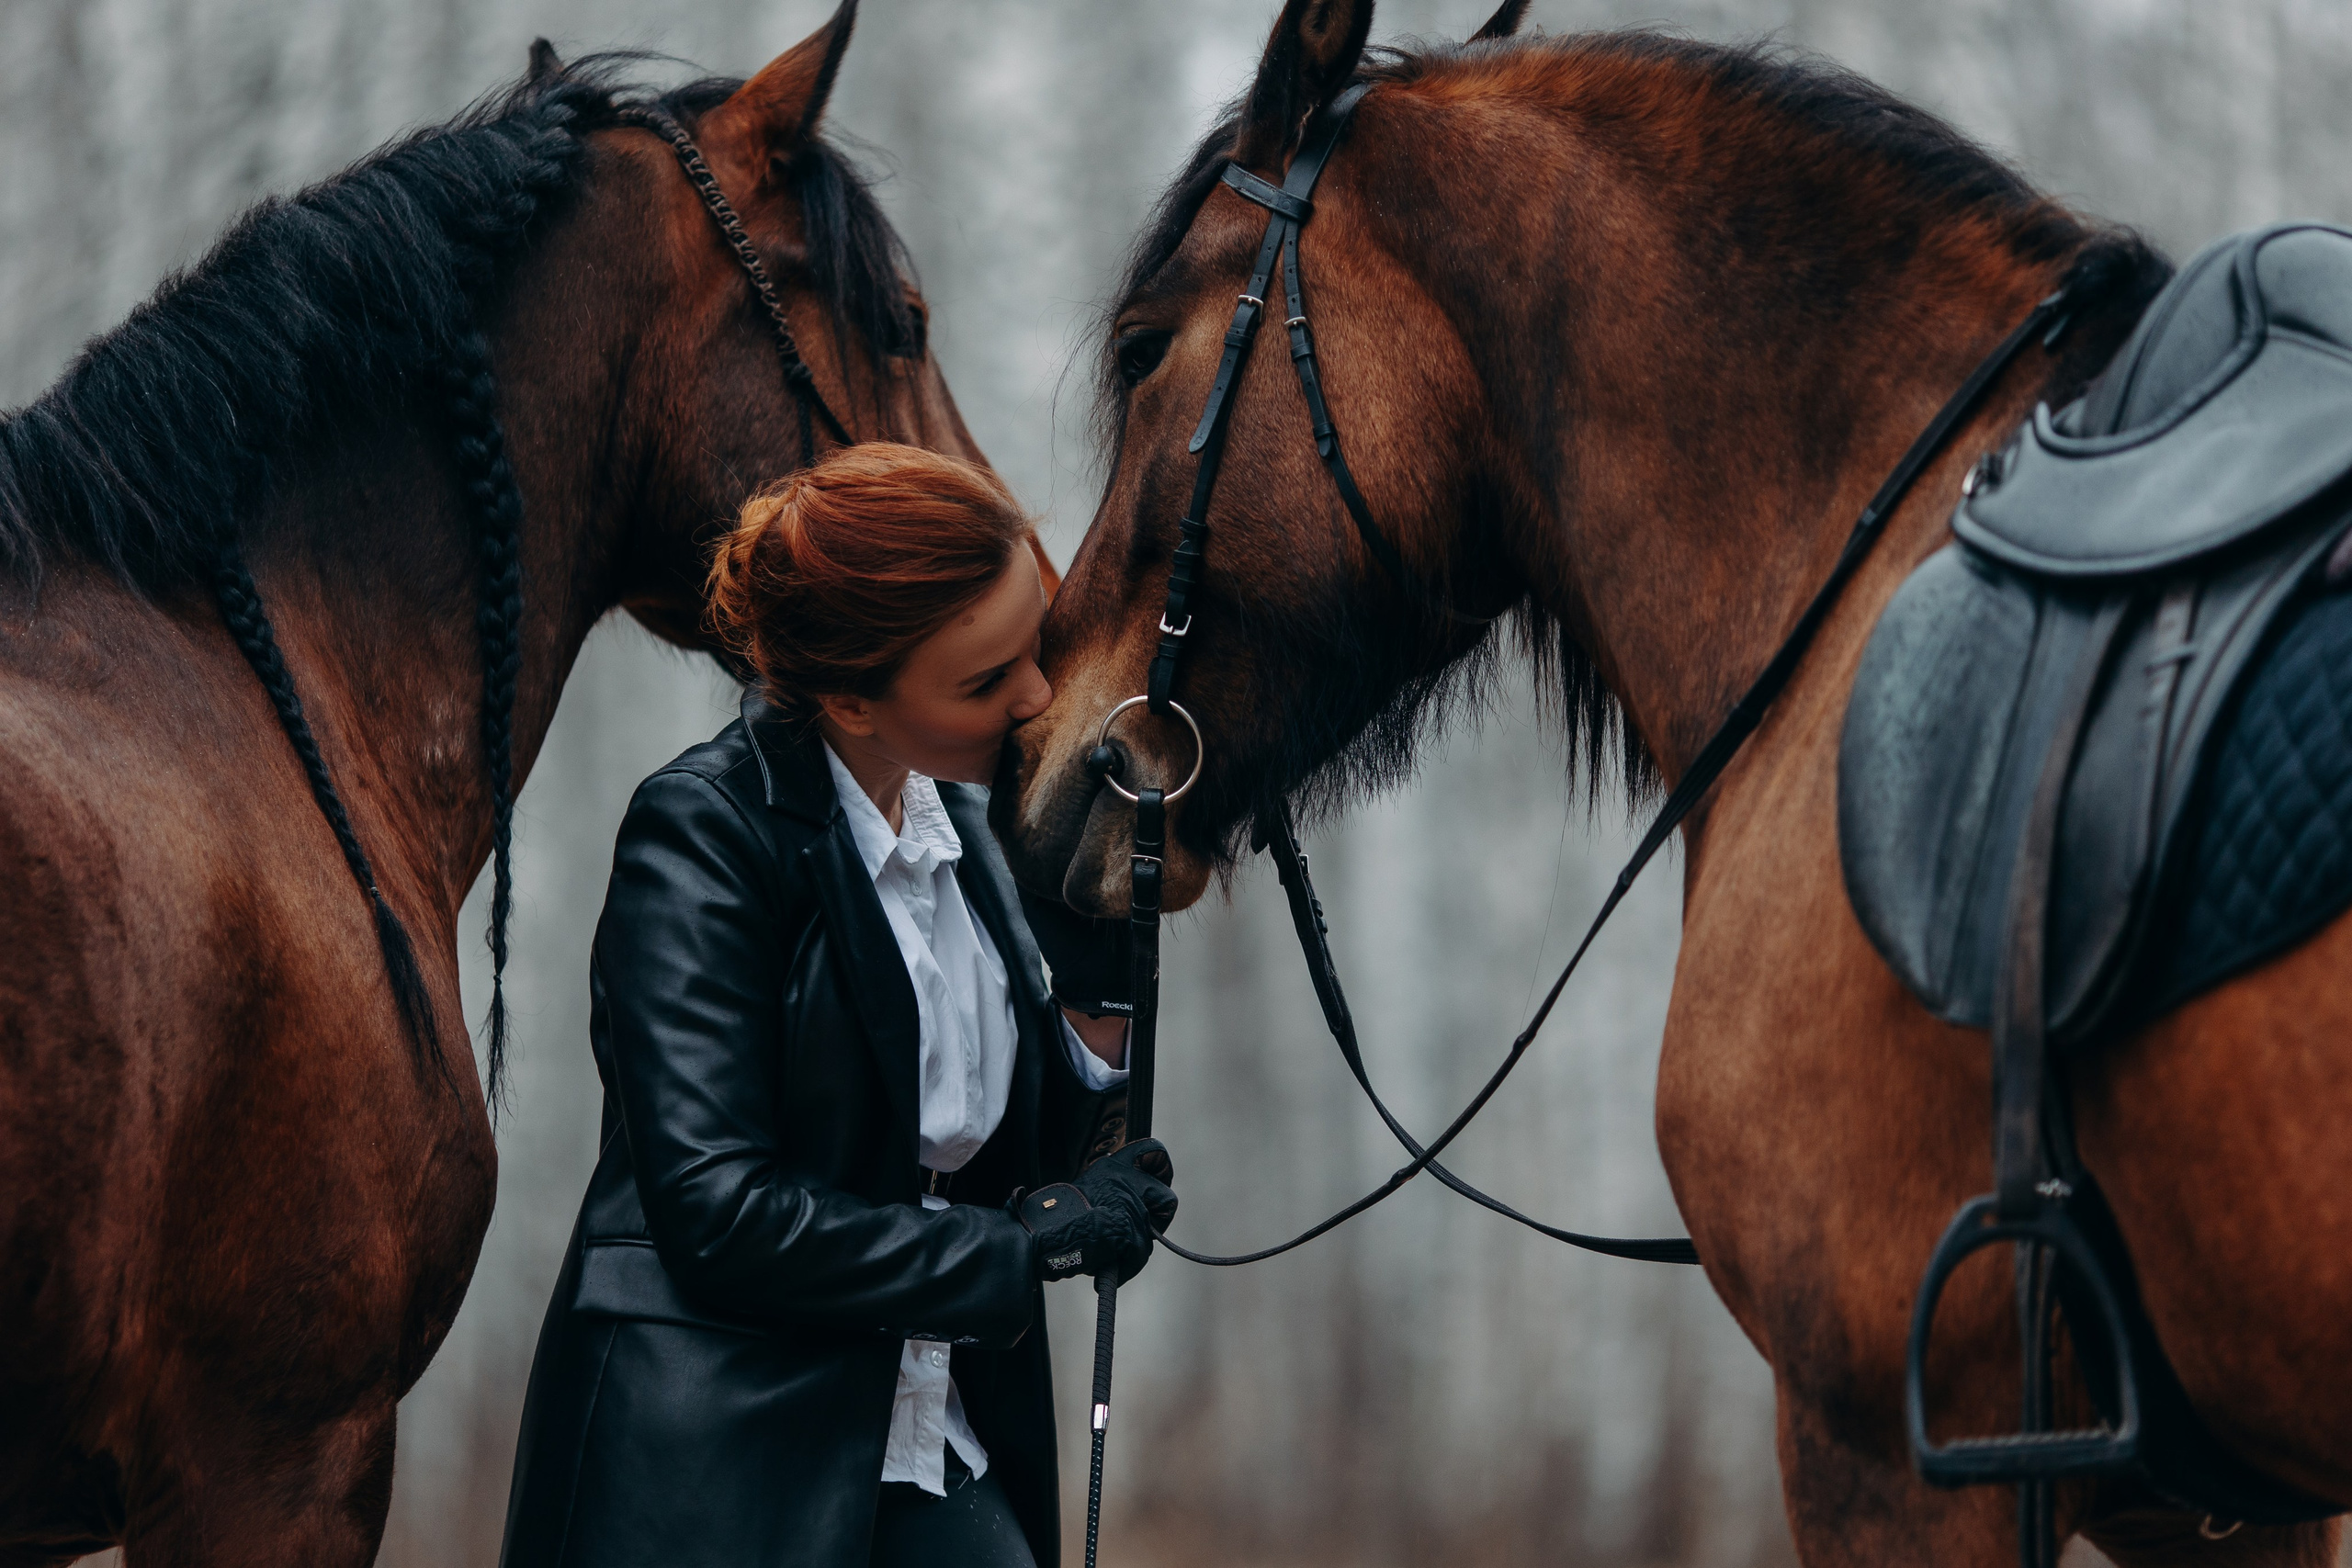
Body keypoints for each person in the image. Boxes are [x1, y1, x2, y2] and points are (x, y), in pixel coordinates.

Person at [499, 443, 1178, 1568]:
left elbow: (992, 1160)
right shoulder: (702, 837)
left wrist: (1098, 988)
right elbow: (718, 1211)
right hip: (714, 1472)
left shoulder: (964, 827)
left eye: (1035, 645)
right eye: (982, 680)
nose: (1037, 699)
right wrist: (1012, 1250)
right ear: (850, 698)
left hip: (935, 1437)